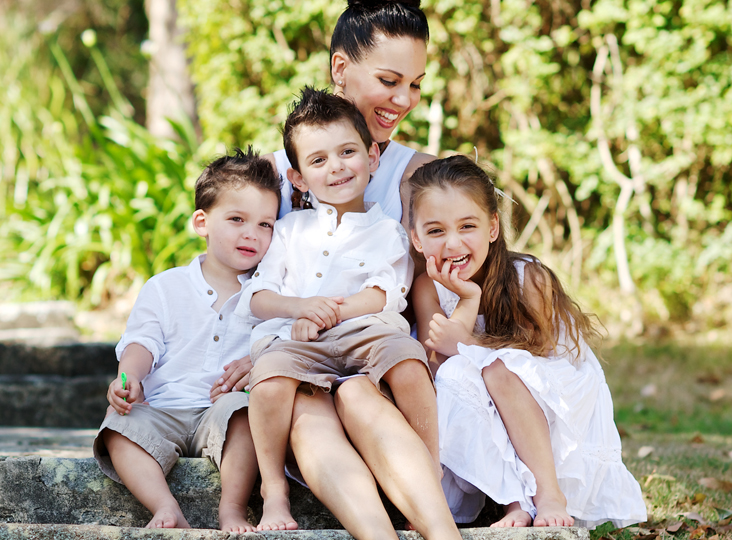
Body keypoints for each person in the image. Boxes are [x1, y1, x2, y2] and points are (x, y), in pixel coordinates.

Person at [212, 2, 460, 539]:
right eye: (390, 80)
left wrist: (434, 348)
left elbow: (420, 274)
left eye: (415, 84)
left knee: (358, 398)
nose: (403, 101)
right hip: (297, 349)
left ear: (369, 158)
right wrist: (245, 352)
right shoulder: (281, 173)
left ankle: (435, 518)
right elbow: (246, 267)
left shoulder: (414, 171)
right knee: (309, 412)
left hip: (377, 348)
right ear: (341, 69)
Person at [408, 155, 648, 528]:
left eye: (466, 226)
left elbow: (541, 355)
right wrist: (468, 301)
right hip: (485, 396)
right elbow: (437, 363)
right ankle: (513, 500)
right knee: (456, 374)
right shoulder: (427, 287)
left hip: (554, 397)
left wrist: (469, 341)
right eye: (436, 231)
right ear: (416, 239)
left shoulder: (527, 277)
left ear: (492, 227)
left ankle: (549, 493)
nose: (453, 243)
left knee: (499, 368)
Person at [92, 148, 280, 532]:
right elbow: (142, 341)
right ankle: (165, 506)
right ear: (202, 222)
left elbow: (280, 345)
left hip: (223, 411)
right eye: (237, 219)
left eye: (266, 225)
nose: (252, 234)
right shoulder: (166, 286)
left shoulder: (271, 293)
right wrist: (129, 380)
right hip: (163, 406)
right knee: (117, 428)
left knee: (248, 416)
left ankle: (231, 508)